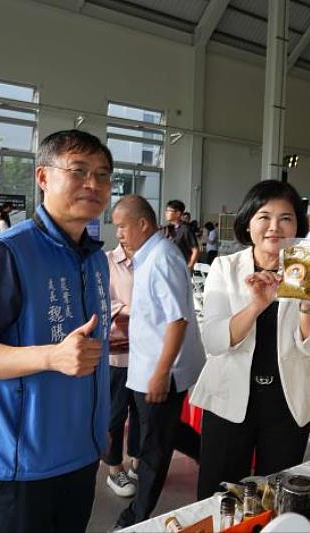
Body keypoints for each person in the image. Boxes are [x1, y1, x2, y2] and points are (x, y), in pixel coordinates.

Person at [0, 130, 113, 532]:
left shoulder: (95, 259)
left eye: (102, 174)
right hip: (20, 465)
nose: (93, 184)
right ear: (43, 177)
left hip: (81, 455)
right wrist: (51, 356)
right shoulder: (5, 254)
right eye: (78, 171)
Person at [191, 180, 310, 499]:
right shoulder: (226, 268)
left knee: (278, 496)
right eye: (264, 216)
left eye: (286, 218)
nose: (274, 227)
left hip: (287, 401)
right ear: (248, 222)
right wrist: (257, 305)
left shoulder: (301, 267)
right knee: (220, 495)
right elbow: (215, 342)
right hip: (229, 397)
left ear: (297, 226)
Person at [112, 195, 205, 529]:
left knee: (154, 446)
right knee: (164, 430)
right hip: (145, 366)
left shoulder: (162, 258)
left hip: (160, 370)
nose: (119, 234)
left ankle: (134, 518)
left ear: (142, 224)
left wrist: (161, 373)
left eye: (122, 226)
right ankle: (213, 457)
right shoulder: (148, 256)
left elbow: (177, 320)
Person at [104, 204, 141, 499]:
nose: (121, 233)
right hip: (117, 355)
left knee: (141, 414)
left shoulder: (152, 260)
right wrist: (129, 309)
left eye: (126, 226)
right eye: (118, 227)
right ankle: (114, 468)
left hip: (147, 355)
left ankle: (136, 462)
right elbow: (100, 301)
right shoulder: (106, 262)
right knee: (115, 415)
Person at [161, 200, 200, 270]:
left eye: (169, 211)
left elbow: (195, 250)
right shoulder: (166, 229)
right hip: (168, 268)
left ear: (178, 213)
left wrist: (189, 266)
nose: (166, 213)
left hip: (180, 269)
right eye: (166, 211)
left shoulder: (185, 229)